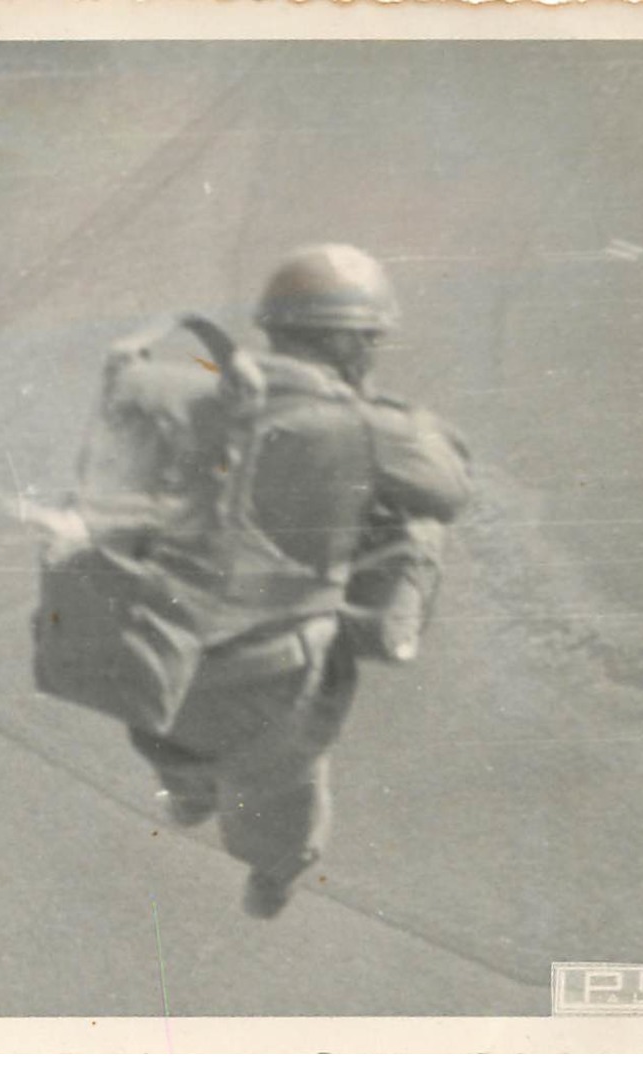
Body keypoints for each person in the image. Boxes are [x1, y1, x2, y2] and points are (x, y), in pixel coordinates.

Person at [53, 244, 472, 919]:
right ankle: (272, 876)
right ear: (352, 344)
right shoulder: (365, 426)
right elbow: (447, 486)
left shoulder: (179, 392)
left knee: (179, 742)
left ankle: (187, 791)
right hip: (268, 692)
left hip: (149, 669)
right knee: (274, 800)